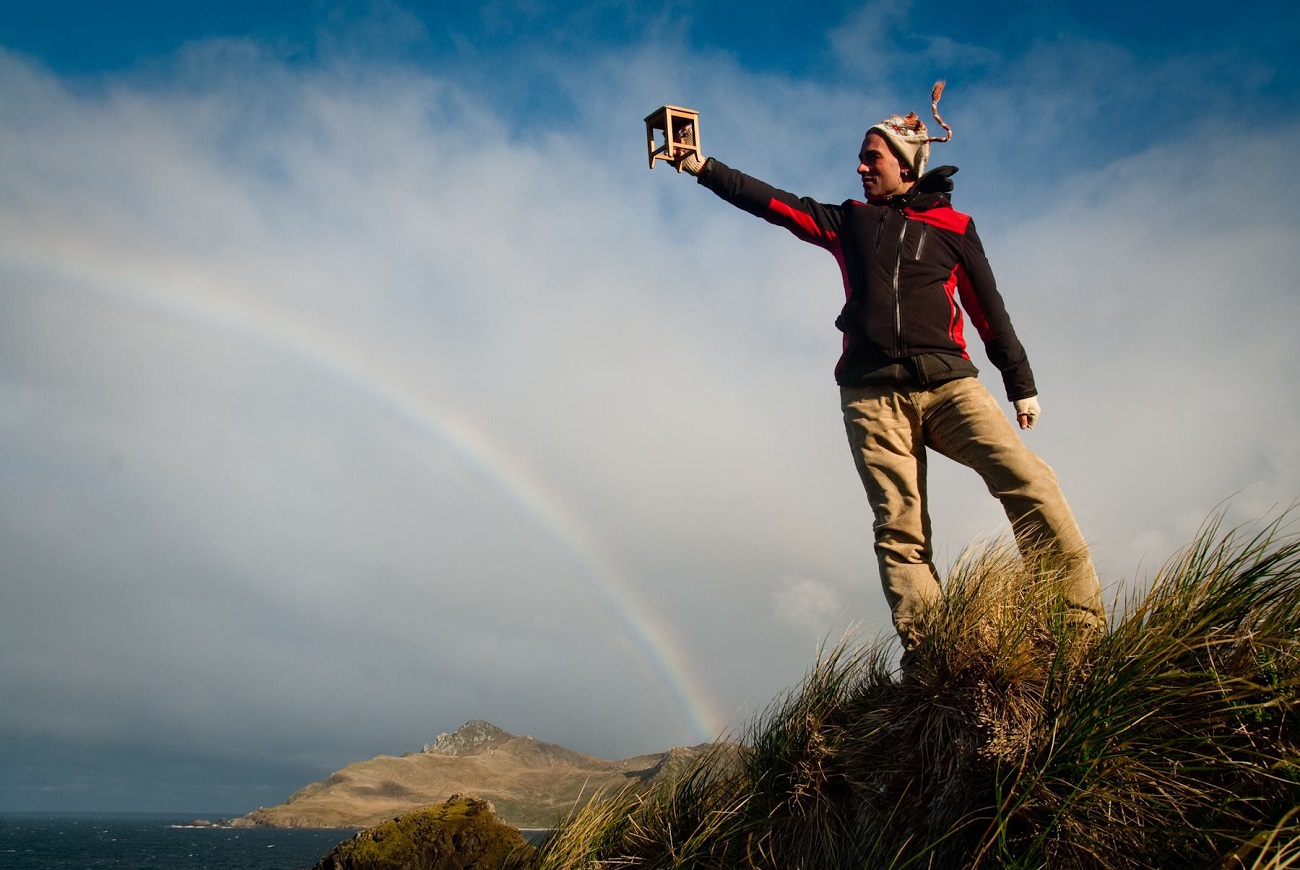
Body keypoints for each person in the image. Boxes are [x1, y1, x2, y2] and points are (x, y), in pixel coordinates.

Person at [672, 83, 1104, 667]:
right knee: (900, 530)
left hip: (951, 387)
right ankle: (933, 660)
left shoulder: (955, 226)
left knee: (1030, 481)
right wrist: (703, 166)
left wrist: (1020, 384)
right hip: (871, 396)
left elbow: (988, 312)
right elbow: (773, 203)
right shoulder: (850, 221)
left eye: (871, 157)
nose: (860, 166)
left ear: (905, 164)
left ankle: (1078, 630)